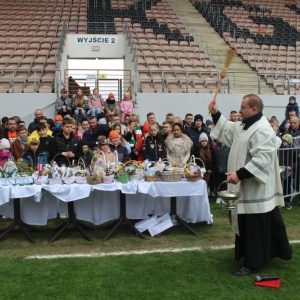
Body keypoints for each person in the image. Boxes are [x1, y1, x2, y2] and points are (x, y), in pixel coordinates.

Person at [208, 94, 292, 275]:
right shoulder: (246, 126)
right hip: (247, 188)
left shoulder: (262, 130)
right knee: (252, 223)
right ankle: (265, 253)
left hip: (255, 189)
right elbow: (229, 130)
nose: (239, 110)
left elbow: (263, 158)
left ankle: (252, 263)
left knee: (254, 226)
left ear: (254, 109)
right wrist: (215, 113)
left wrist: (239, 174)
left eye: (243, 107)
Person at [278, 134, 295, 210]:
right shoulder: (280, 149)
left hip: (289, 171)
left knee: (288, 186)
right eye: (283, 141)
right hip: (281, 170)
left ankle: (288, 201)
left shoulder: (294, 150)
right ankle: (281, 201)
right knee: (280, 185)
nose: (283, 142)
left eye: (284, 141)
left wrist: (291, 166)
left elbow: (297, 161)